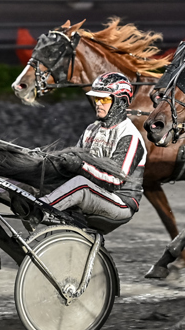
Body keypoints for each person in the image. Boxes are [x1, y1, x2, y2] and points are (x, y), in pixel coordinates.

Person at [39, 72, 147, 224]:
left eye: (104, 99)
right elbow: (75, 160)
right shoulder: (91, 129)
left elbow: (115, 181)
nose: (98, 103)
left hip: (121, 201)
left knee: (79, 184)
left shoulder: (129, 136)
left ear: (121, 102)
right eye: (96, 98)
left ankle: (39, 209)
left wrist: (80, 166)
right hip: (96, 191)